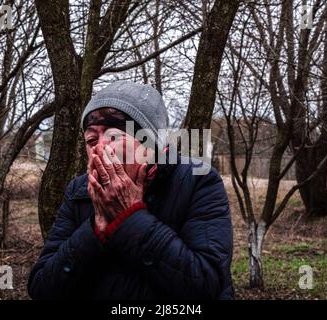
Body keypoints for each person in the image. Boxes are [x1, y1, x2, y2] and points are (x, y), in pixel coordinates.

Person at [28, 80, 233, 299]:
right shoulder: (79, 190)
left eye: (114, 136)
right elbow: (43, 288)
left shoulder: (197, 181)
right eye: (91, 139)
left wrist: (130, 217)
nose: (100, 148)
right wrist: (95, 230)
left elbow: (207, 286)